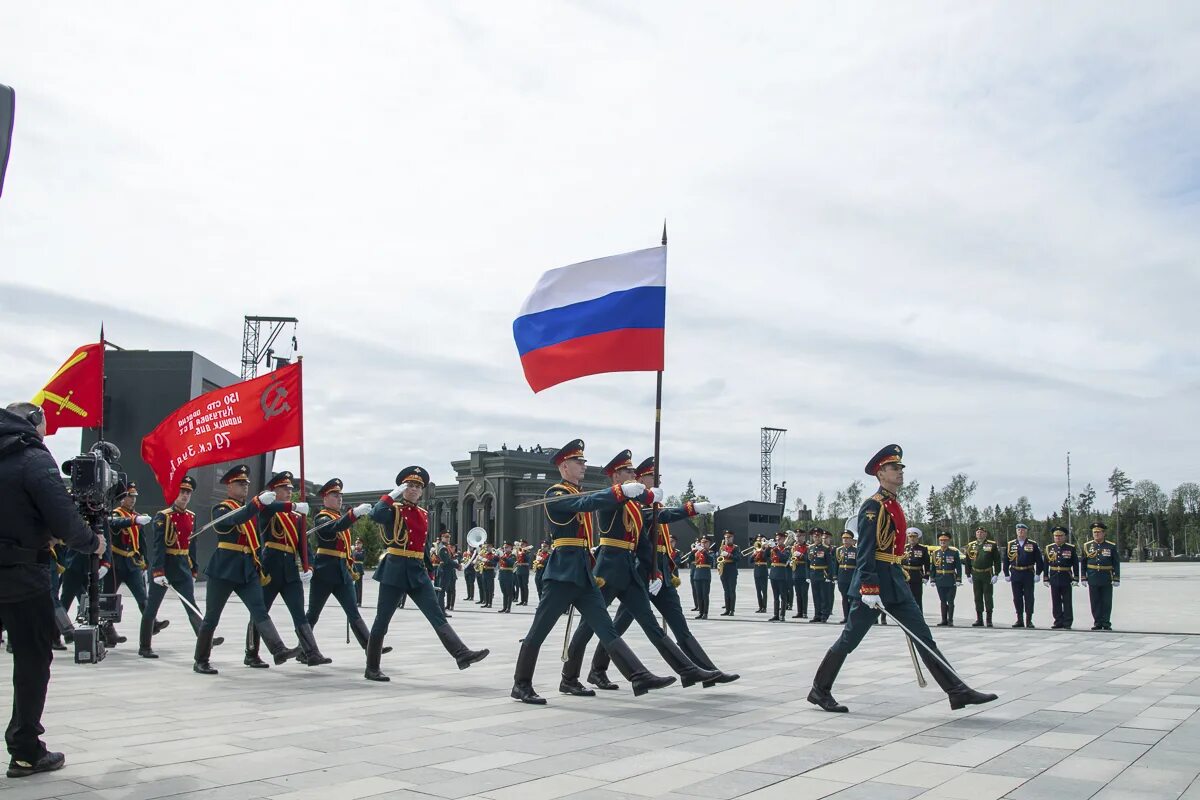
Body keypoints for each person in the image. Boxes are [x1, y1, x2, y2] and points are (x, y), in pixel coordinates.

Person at [808, 445, 997, 714]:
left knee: (923, 636)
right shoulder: (873, 506)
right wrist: (869, 586)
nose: (900, 472)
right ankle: (820, 689)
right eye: (894, 468)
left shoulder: (893, 504)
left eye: (900, 467)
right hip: (874, 583)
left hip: (895, 580)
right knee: (850, 639)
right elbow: (866, 550)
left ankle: (957, 691)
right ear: (880, 473)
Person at [511, 440, 674, 704]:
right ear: (564, 466)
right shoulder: (556, 494)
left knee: (606, 629)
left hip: (585, 575)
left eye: (584, 462)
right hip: (562, 574)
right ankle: (521, 684)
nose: (584, 466)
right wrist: (618, 491)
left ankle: (636, 675)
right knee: (538, 631)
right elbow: (585, 504)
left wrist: (628, 493)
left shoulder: (578, 492)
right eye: (579, 462)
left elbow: (589, 501)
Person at [0, 403, 107, 778]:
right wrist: (93, 542)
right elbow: (63, 519)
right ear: (32, 422)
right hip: (21, 576)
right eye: (45, 424)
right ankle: (26, 749)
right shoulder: (31, 458)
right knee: (30, 662)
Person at [560, 449, 718, 695]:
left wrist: (654, 570)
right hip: (608, 570)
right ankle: (569, 677)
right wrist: (625, 493)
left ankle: (687, 669)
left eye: (634, 471)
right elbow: (602, 501)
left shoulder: (633, 504)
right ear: (615, 477)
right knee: (588, 626)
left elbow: (647, 535)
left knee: (650, 623)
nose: (633, 474)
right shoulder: (610, 498)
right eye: (628, 472)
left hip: (628, 570)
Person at [364, 467, 488, 682]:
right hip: (394, 568)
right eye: (409, 486)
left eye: (417, 487)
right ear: (402, 488)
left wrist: (429, 571)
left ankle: (461, 654)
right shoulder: (392, 509)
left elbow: (422, 546)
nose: (413, 490)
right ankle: (372, 667)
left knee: (436, 614)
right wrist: (390, 496)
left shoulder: (422, 513)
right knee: (382, 620)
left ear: (422, 491)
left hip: (416, 571)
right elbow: (375, 515)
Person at [193, 465, 304, 675]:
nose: (244, 487)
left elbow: (267, 512)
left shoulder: (252, 509)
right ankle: (201, 659)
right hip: (224, 569)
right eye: (239, 483)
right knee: (212, 617)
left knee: (259, 610)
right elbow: (236, 519)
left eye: (246, 484)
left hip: (248, 568)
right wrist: (256, 503)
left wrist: (293, 505)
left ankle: (277, 650)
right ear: (229, 486)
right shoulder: (221, 509)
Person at [245, 471, 328, 667]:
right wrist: (293, 506)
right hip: (270, 568)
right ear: (273, 490)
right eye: (284, 488)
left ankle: (312, 652)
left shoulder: (297, 517)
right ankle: (251, 652)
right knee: (260, 612)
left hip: (290, 569)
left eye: (290, 489)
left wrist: (310, 566)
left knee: (299, 611)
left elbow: (303, 546)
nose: (289, 492)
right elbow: (266, 508)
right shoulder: (268, 510)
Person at [138, 475, 220, 659]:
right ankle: (145, 646)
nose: (185, 496)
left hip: (182, 566)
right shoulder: (163, 516)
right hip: (165, 565)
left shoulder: (191, 517)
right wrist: (158, 571)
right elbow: (158, 546)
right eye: (182, 492)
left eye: (188, 493)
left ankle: (205, 638)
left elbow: (192, 545)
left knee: (191, 605)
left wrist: (193, 569)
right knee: (152, 608)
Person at [304, 479, 383, 656]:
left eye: (340, 495)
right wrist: (353, 514)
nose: (339, 498)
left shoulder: (339, 517)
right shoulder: (322, 518)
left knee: (353, 611)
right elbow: (335, 527)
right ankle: (305, 649)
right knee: (313, 613)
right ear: (325, 498)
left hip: (342, 571)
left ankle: (371, 648)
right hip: (325, 571)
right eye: (334, 495)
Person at [106, 482, 153, 643]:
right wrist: (134, 520)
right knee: (109, 598)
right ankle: (108, 630)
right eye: (128, 496)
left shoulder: (136, 516)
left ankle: (151, 623)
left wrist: (145, 562)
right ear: (121, 499)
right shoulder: (117, 514)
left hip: (132, 563)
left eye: (134, 496)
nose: (132, 499)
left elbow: (142, 542)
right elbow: (114, 524)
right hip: (116, 563)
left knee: (142, 596)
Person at [1003, 523, 1045, 628]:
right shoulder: (1010, 544)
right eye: (1019, 530)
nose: (1020, 532)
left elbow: (1039, 560)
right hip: (1015, 573)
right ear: (1016, 532)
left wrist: (1038, 573)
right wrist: (1006, 574)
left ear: (1026, 531)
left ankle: (1029, 620)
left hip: (1028, 573)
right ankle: (1019, 619)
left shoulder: (1033, 544)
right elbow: (1006, 560)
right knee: (1017, 597)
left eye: (1022, 530)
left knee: (1029, 597)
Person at [1083, 522, 1119, 631]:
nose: (1096, 534)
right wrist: (1083, 577)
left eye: (1099, 532)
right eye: (1094, 532)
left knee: (1106, 601)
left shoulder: (1111, 546)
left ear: (1104, 533)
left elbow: (1116, 563)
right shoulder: (1087, 546)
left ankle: (1106, 622)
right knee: (1095, 601)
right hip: (1093, 576)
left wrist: (1116, 577)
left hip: (1106, 577)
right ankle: (1097, 622)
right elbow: (1083, 563)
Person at [964, 526, 1000, 627]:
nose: (979, 534)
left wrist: (996, 574)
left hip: (987, 573)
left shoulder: (991, 545)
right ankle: (979, 619)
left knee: (988, 596)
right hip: (976, 573)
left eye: (981, 532)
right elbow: (967, 561)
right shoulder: (971, 545)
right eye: (978, 532)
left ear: (985, 534)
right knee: (977, 596)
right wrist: (968, 574)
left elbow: (997, 560)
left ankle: (989, 619)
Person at [1043, 526, 1078, 629]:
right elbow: (1046, 564)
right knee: (1056, 600)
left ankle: (1067, 622)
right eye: (1056, 536)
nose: (1058, 538)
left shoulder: (1070, 548)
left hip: (1066, 576)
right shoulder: (1049, 548)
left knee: (1067, 601)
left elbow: (1075, 564)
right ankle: (1058, 621)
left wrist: (1076, 578)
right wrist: (1045, 577)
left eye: (1060, 536)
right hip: (1054, 576)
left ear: (1065, 536)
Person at [930, 533, 962, 626]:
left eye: (945, 540)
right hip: (940, 579)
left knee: (950, 600)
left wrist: (958, 579)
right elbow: (933, 567)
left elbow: (958, 567)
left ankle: (950, 619)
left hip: (950, 579)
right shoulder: (935, 553)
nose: (943, 542)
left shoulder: (953, 552)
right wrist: (932, 579)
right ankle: (944, 619)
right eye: (941, 541)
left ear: (948, 541)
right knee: (942, 600)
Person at [807, 529, 834, 623]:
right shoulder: (810, 548)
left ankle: (824, 615)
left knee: (824, 596)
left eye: (818, 536)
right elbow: (808, 563)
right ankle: (817, 615)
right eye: (815, 536)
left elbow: (830, 564)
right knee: (816, 596)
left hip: (822, 574)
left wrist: (829, 576)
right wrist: (808, 576)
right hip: (813, 574)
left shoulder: (825, 548)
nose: (816, 538)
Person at [901, 527, 929, 610]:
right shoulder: (904, 548)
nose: (912, 539)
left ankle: (919, 617)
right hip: (904, 576)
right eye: (910, 537)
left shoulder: (923, 549)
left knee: (917, 598)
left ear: (918, 538)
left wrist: (926, 576)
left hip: (916, 576)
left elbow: (927, 564)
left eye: (914, 537)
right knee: (904, 597)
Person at [767, 532, 791, 622]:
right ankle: (775, 614)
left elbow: (783, 558)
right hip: (773, 574)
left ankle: (782, 615)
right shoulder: (773, 549)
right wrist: (767, 548)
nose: (777, 540)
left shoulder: (787, 549)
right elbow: (766, 556)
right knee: (775, 597)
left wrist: (775, 548)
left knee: (783, 596)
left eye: (779, 539)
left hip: (782, 574)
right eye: (776, 539)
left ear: (784, 539)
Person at [835, 530, 857, 624]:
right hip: (842, 576)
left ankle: (852, 617)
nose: (845, 540)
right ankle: (846, 617)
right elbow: (836, 564)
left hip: (852, 576)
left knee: (852, 598)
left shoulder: (856, 550)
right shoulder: (839, 550)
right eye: (844, 538)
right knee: (844, 597)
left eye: (847, 538)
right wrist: (835, 576)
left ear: (851, 540)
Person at [716, 530, 740, 615]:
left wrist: (729, 555)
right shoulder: (722, 547)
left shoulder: (736, 547)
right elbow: (718, 557)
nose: (727, 539)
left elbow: (738, 558)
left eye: (729, 537)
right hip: (724, 570)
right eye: (726, 537)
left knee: (731, 591)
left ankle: (732, 610)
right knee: (726, 591)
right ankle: (727, 609)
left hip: (732, 570)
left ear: (732, 538)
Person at [436, 529, 459, 612]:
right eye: (446, 537)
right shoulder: (442, 547)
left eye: (449, 537)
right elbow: (447, 561)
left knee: (442, 592)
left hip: (446, 570)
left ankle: (441, 610)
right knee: (441, 592)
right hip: (444, 570)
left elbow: (450, 558)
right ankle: (441, 611)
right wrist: (457, 565)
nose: (448, 538)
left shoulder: (446, 547)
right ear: (442, 537)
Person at [692, 536, 714, 618]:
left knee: (705, 594)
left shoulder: (710, 552)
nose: (704, 544)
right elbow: (690, 560)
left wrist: (703, 551)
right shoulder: (697, 553)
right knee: (699, 595)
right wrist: (693, 551)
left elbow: (710, 560)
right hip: (697, 574)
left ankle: (705, 613)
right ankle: (700, 612)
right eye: (702, 542)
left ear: (709, 543)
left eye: (706, 542)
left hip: (705, 574)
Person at [790, 532, 809, 619]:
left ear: (804, 537)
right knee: (798, 594)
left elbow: (809, 560)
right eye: (797, 536)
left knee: (804, 594)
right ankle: (799, 612)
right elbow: (791, 558)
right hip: (796, 572)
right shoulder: (794, 547)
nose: (798, 538)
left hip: (804, 573)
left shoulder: (808, 547)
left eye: (800, 536)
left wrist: (801, 555)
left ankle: (804, 612)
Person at [751, 536, 769, 613]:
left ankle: (764, 607)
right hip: (756, 570)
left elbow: (765, 558)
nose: (759, 542)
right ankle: (760, 606)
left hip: (763, 570)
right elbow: (750, 561)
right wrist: (754, 554)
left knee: (764, 591)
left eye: (760, 540)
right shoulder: (755, 550)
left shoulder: (767, 549)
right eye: (758, 540)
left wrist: (763, 550)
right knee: (758, 591)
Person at [497, 542, 517, 613]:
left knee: (509, 592)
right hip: (502, 575)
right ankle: (504, 607)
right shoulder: (503, 555)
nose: (504, 549)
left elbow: (511, 563)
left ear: (510, 548)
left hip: (508, 575)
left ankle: (508, 608)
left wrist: (503, 557)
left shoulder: (513, 556)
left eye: (506, 547)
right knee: (504, 592)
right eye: (504, 547)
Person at [476, 543, 497, 608]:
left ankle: (490, 603)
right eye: (487, 547)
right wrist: (479, 560)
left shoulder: (494, 556)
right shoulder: (484, 555)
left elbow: (494, 564)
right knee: (485, 588)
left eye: (489, 547)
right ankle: (486, 602)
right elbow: (480, 563)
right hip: (484, 572)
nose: (488, 548)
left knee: (490, 589)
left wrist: (486, 560)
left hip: (490, 572)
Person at [514, 539, 531, 605]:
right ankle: (522, 600)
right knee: (520, 586)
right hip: (519, 570)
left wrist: (524, 552)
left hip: (524, 571)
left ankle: (525, 601)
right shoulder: (519, 551)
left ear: (525, 545)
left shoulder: (527, 552)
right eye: (520, 544)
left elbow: (527, 561)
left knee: (525, 586)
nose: (520, 545)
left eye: (522, 544)